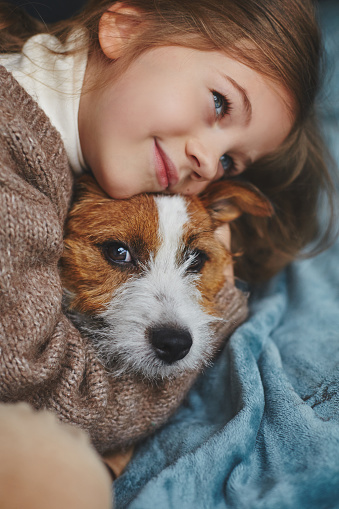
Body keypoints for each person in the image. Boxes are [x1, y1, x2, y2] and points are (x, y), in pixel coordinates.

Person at [0, 0, 335, 507]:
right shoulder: (15, 174)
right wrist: (220, 306)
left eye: (229, 160)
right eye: (220, 103)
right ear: (122, 27)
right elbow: (44, 394)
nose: (206, 159)